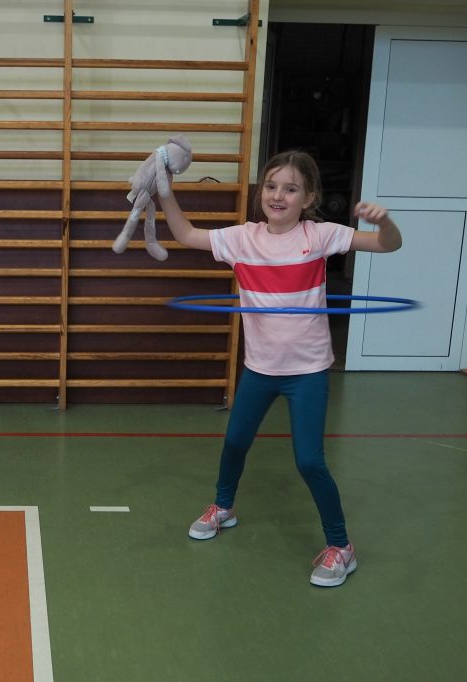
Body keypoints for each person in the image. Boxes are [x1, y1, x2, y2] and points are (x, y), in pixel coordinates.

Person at [158, 150, 402, 587]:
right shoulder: (242, 239)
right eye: (271, 186)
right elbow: (186, 234)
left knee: (309, 461)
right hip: (260, 369)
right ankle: (223, 506)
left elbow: (388, 245)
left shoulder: (320, 235)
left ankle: (341, 546)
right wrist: (164, 191)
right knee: (235, 441)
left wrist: (384, 222)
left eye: (290, 189)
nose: (277, 195)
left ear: (308, 198)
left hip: (307, 371)